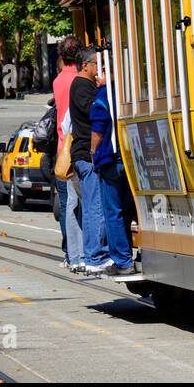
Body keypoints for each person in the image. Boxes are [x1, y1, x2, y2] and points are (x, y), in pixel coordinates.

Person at [85, 71, 134, 275]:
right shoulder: (128, 89)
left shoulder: (104, 94)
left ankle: (123, 261)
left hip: (111, 159)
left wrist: (93, 151)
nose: (97, 76)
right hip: (130, 158)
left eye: (102, 72)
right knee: (128, 209)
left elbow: (98, 127)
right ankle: (127, 254)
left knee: (113, 212)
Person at [67, 48, 111, 273]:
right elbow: (95, 112)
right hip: (86, 154)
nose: (99, 68)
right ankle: (96, 256)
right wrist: (104, 90)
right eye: (96, 64)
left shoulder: (83, 85)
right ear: (85, 65)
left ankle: (93, 254)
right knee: (96, 207)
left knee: (91, 207)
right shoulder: (82, 86)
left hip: (82, 155)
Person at [52, 35, 82, 269]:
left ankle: (69, 252)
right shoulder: (78, 80)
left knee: (66, 204)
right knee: (78, 204)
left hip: (62, 148)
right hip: (75, 147)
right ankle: (79, 253)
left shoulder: (59, 79)